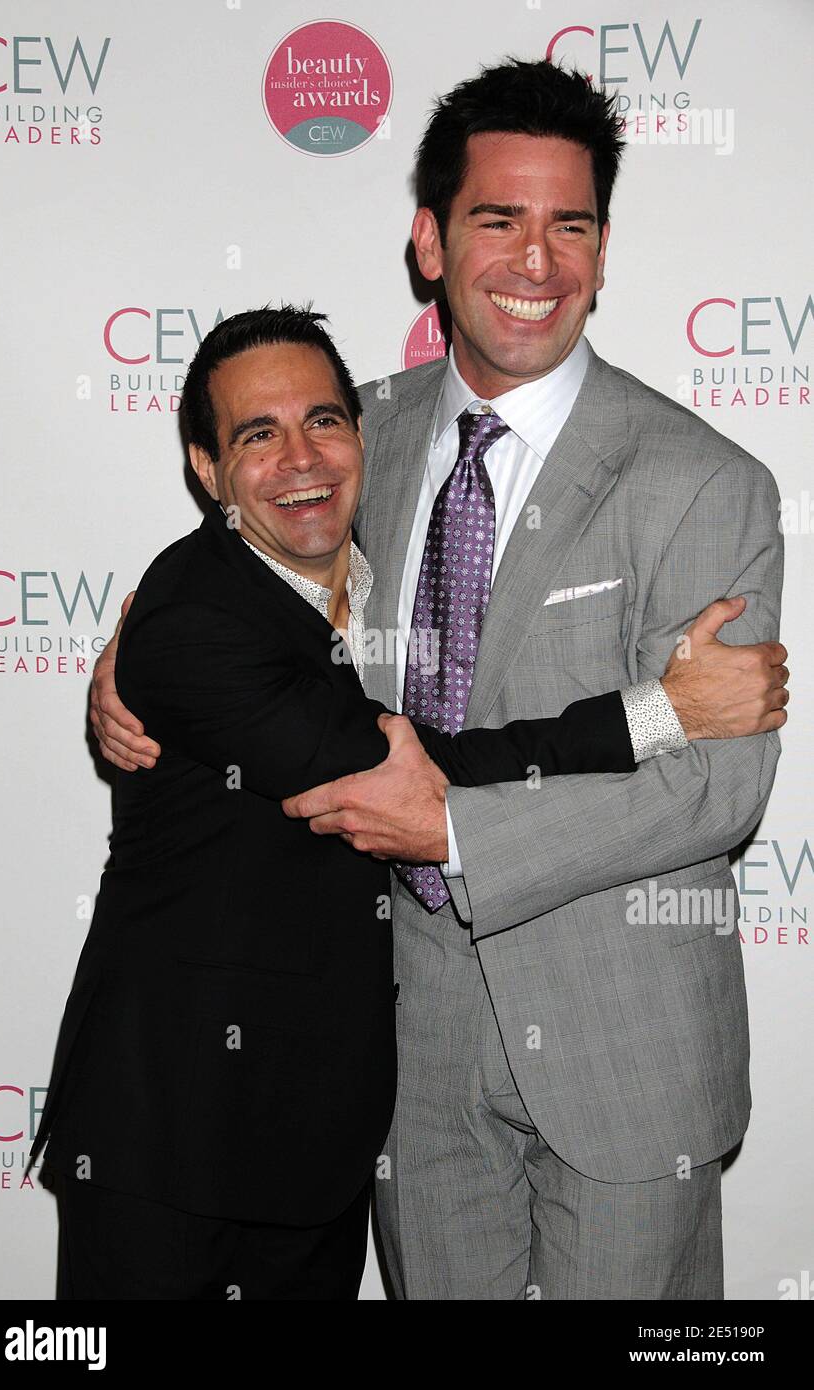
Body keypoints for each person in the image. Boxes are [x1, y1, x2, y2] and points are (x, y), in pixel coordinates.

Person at [90, 63, 788, 1303]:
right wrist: (126, 653)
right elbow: (237, 563)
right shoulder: (360, 432)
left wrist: (452, 827)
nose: (536, 259)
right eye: (496, 219)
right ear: (429, 241)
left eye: (569, 224)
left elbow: (713, 791)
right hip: (401, 1048)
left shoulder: (704, 481)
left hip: (623, 1050)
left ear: (603, 248)